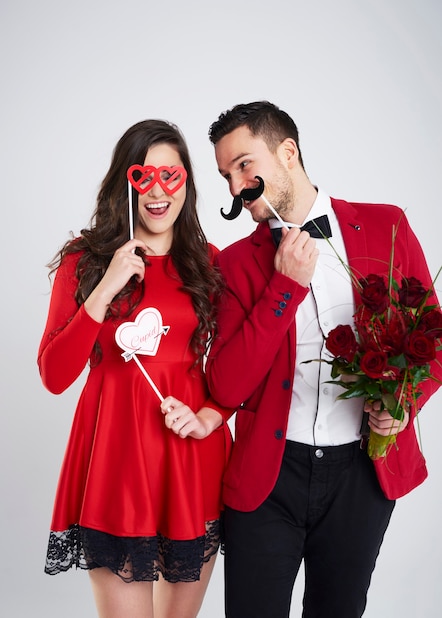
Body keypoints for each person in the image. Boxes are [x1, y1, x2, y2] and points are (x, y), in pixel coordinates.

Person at [205, 101, 442, 617]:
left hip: (361, 473)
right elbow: (225, 386)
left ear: (287, 152)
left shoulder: (387, 226)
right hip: (268, 477)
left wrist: (403, 405)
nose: (234, 187)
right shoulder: (237, 264)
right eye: (226, 175)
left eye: (245, 165)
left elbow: (433, 336)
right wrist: (284, 286)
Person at [38, 119, 233, 618]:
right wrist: (106, 287)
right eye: (144, 175)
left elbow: (232, 373)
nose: (157, 190)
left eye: (171, 175)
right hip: (116, 464)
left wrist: (208, 413)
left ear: (187, 182)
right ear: (125, 181)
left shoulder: (207, 264)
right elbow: (55, 376)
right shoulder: (84, 262)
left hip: (191, 464)